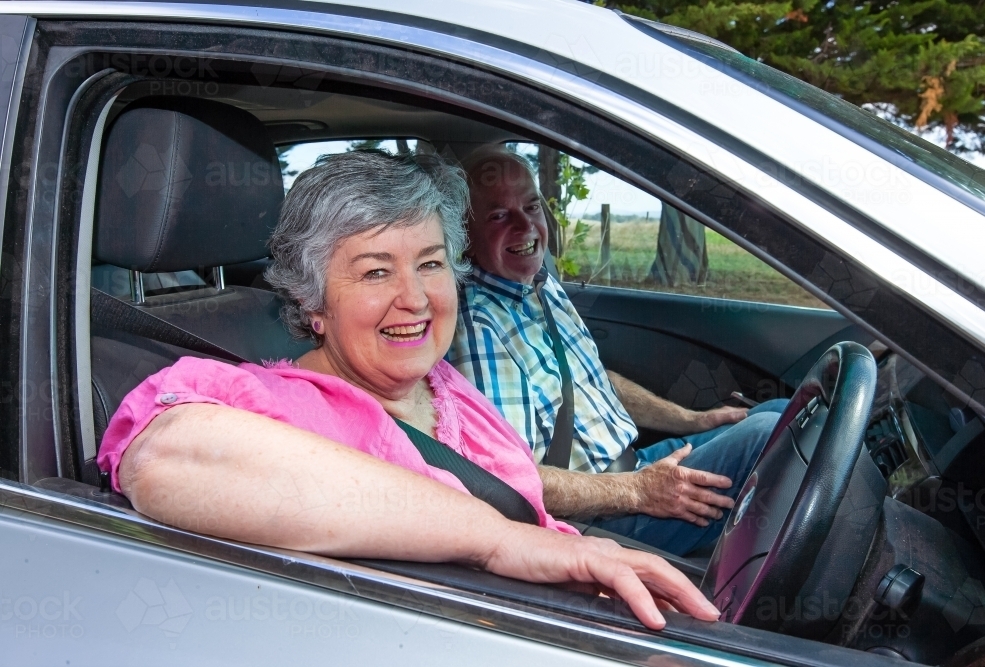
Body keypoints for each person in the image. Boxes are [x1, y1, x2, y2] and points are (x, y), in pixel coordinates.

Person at [96, 150, 721, 630]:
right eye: (374, 271)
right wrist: (503, 541)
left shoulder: (441, 383)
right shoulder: (285, 404)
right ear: (315, 301)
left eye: (429, 262)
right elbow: (164, 456)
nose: (416, 299)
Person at [448, 146, 788, 557]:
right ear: (464, 235)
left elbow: (591, 380)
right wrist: (636, 492)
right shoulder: (477, 326)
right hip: (594, 519)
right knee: (766, 436)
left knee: (781, 412)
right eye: (499, 215)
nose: (525, 226)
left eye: (531, 206)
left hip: (634, 468)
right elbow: (510, 481)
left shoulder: (538, 285)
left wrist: (694, 421)